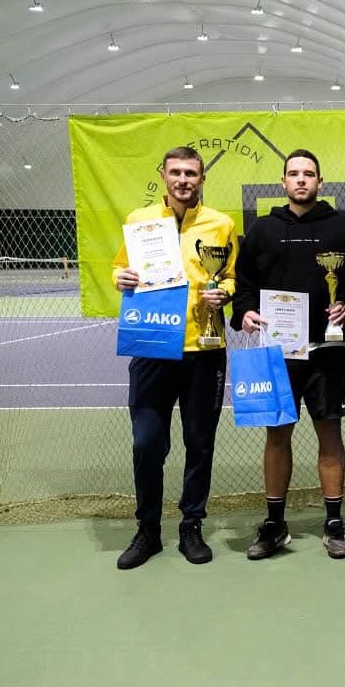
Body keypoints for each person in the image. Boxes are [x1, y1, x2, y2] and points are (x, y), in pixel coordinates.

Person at [231, 150, 345, 561]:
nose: (301, 180)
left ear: (320, 182)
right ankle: (275, 523)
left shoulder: (342, 227)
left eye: (308, 174)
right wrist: (245, 312)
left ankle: (334, 522)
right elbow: (245, 283)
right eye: (294, 174)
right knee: (277, 435)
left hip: (326, 352)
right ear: (282, 181)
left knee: (329, 433)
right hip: (278, 354)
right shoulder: (263, 229)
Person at [112, 146, 238, 569]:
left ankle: (191, 526)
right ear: (163, 175)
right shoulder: (138, 221)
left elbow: (233, 275)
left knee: (199, 443)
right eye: (176, 172)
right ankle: (148, 530)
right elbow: (121, 270)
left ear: (202, 179)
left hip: (205, 349)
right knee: (147, 443)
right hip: (152, 348)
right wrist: (120, 276)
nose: (183, 180)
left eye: (191, 173)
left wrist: (228, 293)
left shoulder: (221, 224)